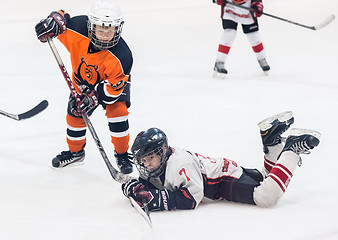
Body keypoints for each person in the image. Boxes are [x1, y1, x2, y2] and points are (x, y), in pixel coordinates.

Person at [122, 111, 320, 211]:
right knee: (267, 177)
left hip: (223, 180)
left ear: (163, 151)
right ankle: (271, 140)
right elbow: (147, 185)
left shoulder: (179, 164)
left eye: (150, 158)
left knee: (266, 197)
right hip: (222, 169)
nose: (146, 164)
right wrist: (133, 187)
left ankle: (291, 149)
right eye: (143, 160)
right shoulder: (158, 163)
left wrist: (157, 201)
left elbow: (191, 199)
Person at [35, 1, 133, 174]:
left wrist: (95, 97)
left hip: (111, 86)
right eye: (100, 30)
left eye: (109, 30)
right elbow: (61, 18)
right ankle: (76, 153)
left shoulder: (123, 56)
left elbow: (113, 89)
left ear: (117, 28)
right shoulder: (78, 28)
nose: (104, 35)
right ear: (91, 25)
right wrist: (52, 22)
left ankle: (122, 155)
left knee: (117, 112)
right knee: (75, 113)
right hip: (83, 83)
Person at [212, 0, 270, 77]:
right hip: (230, 8)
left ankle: (262, 59)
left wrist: (258, 6)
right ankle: (219, 62)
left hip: (247, 9)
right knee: (230, 33)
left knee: (253, 35)